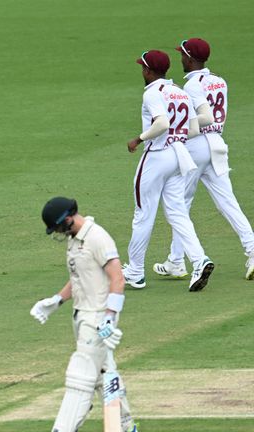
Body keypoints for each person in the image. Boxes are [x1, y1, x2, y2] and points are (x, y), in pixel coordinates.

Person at [32, 197, 137, 432]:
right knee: (103, 375)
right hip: (81, 316)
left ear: (67, 219)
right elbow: (79, 278)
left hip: (98, 317)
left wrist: (110, 316)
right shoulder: (74, 240)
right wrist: (57, 300)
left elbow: (117, 278)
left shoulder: (97, 237)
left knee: (81, 374)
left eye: (58, 227)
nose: (58, 232)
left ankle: (63, 428)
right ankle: (126, 426)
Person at [152, 38, 254, 281]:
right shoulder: (219, 81)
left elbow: (202, 119)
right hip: (218, 144)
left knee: (179, 203)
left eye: (183, 56)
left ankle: (178, 261)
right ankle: (252, 249)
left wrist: (181, 132)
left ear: (190, 58)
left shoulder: (192, 86)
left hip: (198, 146)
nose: (181, 60)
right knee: (228, 202)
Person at [121, 50, 214, 292]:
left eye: (143, 67)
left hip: (156, 157)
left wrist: (138, 139)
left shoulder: (153, 93)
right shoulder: (180, 92)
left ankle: (135, 272)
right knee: (178, 213)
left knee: (143, 214)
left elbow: (161, 123)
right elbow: (193, 128)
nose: (142, 71)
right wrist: (176, 135)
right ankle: (199, 259)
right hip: (178, 157)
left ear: (149, 71)